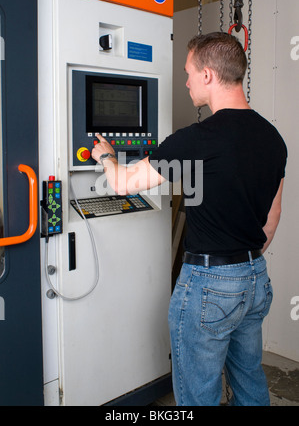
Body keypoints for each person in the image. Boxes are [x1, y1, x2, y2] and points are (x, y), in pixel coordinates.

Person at [91, 32, 287, 406]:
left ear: (209, 75)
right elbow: (273, 216)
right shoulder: (272, 137)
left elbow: (123, 183)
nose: (185, 81)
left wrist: (106, 155)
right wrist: (242, 263)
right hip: (255, 278)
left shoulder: (196, 139)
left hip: (209, 284)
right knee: (249, 380)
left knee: (199, 394)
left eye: (188, 72)